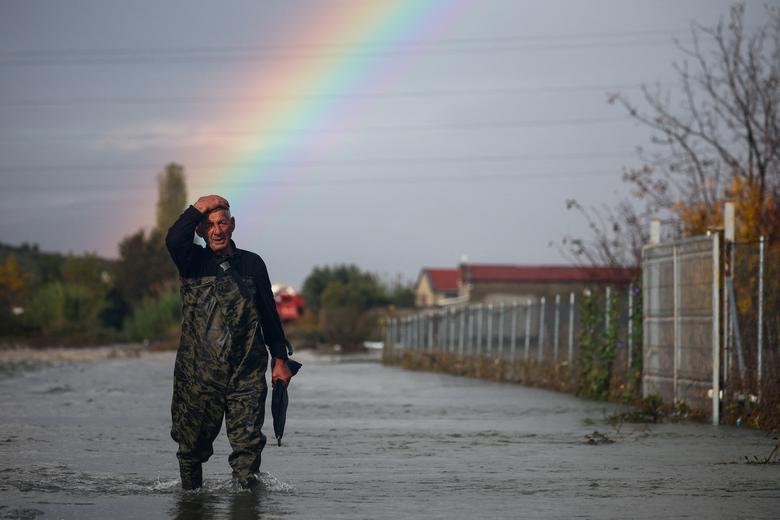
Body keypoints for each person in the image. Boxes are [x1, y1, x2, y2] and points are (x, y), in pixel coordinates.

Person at [165, 194, 292, 490]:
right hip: (198, 377)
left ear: (232, 225)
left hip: (246, 376)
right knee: (190, 453)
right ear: (199, 231)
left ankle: (246, 506)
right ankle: (191, 505)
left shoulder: (252, 264)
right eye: (209, 225)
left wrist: (280, 359)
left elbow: (269, 315)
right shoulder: (192, 262)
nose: (217, 230)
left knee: (248, 453)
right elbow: (173, 239)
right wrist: (199, 206)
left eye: (222, 222)